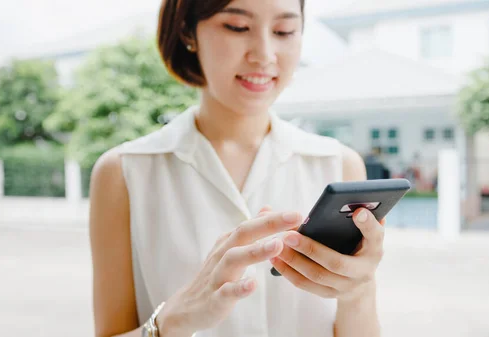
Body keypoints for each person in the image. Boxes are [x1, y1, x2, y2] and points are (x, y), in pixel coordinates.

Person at [89, 0, 386, 336]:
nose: (264, 54)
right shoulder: (124, 173)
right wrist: (170, 323)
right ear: (188, 31)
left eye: (283, 31)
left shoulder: (339, 165)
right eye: (237, 27)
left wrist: (359, 288)